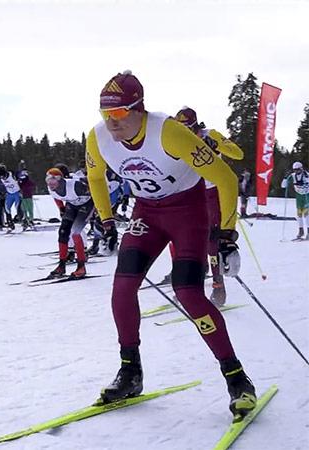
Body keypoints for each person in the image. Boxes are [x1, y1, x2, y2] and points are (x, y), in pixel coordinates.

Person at [86, 71, 254, 420]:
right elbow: (95, 176)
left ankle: (237, 378)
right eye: (105, 113)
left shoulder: (169, 132)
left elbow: (225, 177)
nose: (111, 122)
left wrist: (226, 234)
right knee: (122, 289)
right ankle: (130, 372)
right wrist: (106, 220)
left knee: (188, 292)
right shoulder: (98, 137)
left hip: (187, 211)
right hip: (147, 212)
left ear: (139, 109)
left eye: (119, 113)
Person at [176, 106, 244, 305]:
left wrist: (216, 146)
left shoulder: (209, 134)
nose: (187, 134)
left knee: (213, 240)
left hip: (213, 192)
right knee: (185, 239)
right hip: (190, 193)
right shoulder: (177, 138)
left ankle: (218, 287)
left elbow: (238, 154)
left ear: (196, 126)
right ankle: (191, 284)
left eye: (189, 129)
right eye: (182, 129)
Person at [46, 167, 94, 278]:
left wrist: (98, 211)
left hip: (87, 204)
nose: (50, 183)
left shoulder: (75, 186)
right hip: (72, 204)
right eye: (48, 180)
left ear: (60, 180)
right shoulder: (51, 188)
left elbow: (94, 192)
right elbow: (56, 197)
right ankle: (61, 266)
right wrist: (61, 208)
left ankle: (81, 266)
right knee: (63, 232)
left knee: (75, 233)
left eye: (53, 180)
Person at [281, 161, 309, 239]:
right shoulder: (292, 176)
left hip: (306, 195)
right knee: (299, 214)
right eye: (295, 170)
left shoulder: (306, 175)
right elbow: (283, 186)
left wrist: (306, 181)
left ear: (301, 168)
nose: (297, 171)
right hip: (299, 196)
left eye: (298, 169)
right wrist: (285, 178)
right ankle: (301, 230)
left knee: (306, 214)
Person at [0, 164, 22, 230]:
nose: (3, 178)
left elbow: (18, 175)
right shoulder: (0, 177)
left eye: (4, 176)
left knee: (17, 207)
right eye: (1, 177)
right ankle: (10, 222)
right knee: (7, 208)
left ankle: (23, 220)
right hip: (9, 194)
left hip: (17, 193)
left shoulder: (11, 175)